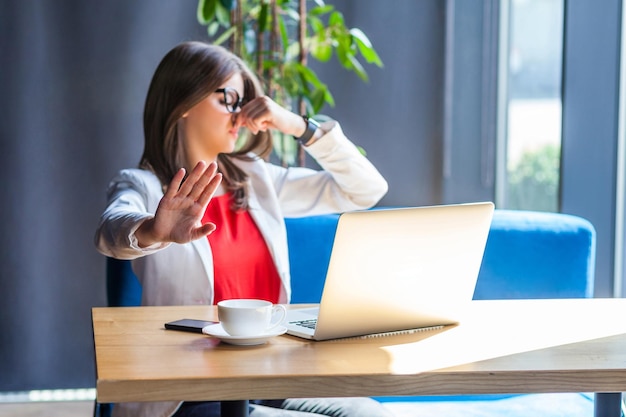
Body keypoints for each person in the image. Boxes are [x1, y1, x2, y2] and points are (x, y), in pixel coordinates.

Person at [95, 41, 389, 417]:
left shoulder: (257, 181)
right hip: (191, 393)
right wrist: (154, 230)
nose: (238, 116)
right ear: (183, 103)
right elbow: (110, 233)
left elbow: (366, 189)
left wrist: (296, 124)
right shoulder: (144, 186)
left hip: (268, 378)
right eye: (228, 99)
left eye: (242, 103)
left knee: (371, 414)